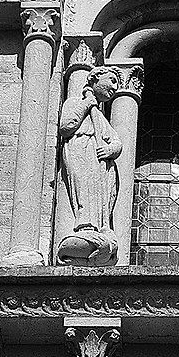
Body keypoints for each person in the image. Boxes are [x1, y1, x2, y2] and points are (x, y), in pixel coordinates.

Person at [55, 62, 122, 261]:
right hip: (79, 152)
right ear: (94, 79)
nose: (115, 87)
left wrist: (110, 149)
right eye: (111, 80)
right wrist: (87, 103)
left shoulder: (100, 116)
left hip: (99, 161)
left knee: (100, 194)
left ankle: (102, 227)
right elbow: (66, 127)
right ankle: (83, 228)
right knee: (83, 190)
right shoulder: (75, 103)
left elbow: (116, 141)